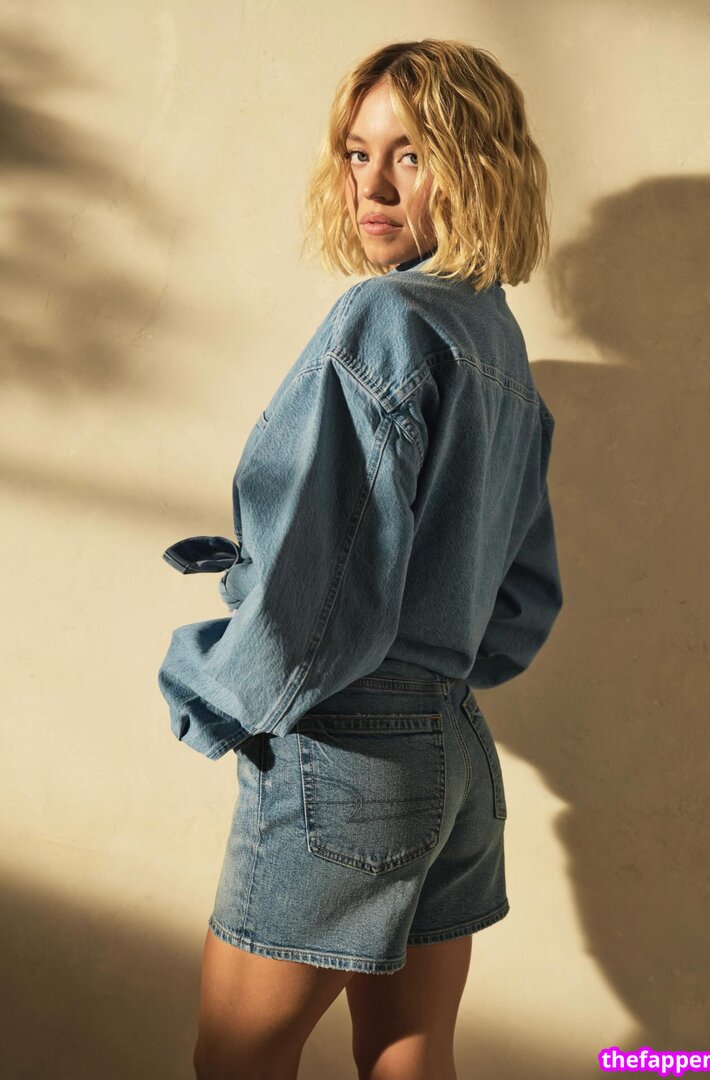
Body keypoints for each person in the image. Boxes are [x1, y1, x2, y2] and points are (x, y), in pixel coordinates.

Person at [157, 38, 564, 1080]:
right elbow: (520, 601)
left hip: (346, 751)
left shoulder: (384, 318)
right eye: (356, 152)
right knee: (408, 1052)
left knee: (234, 1062)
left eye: (410, 155)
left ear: (476, 168)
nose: (372, 185)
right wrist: (427, 673)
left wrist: (215, 690)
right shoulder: (498, 344)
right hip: (451, 751)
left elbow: (321, 576)